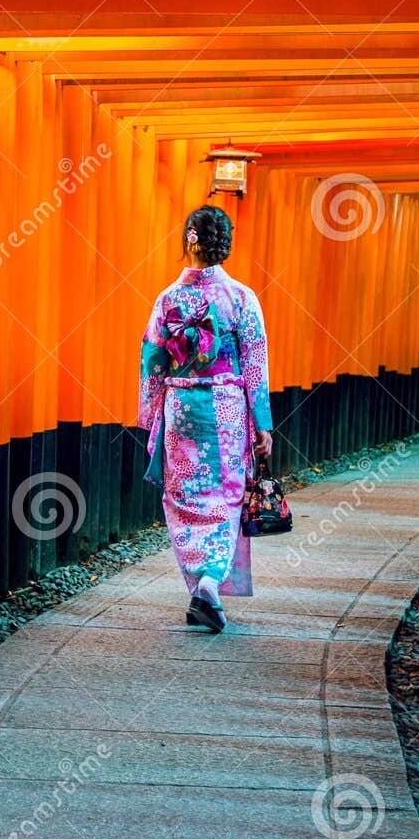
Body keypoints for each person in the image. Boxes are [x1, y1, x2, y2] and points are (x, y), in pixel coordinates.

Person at [138, 204, 273, 633]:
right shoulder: (241, 297)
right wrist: (262, 422)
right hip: (228, 407)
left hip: (181, 408)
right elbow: (255, 362)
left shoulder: (168, 299)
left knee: (183, 497)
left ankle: (201, 585)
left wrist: (150, 417)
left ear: (188, 240)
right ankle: (210, 584)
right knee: (228, 495)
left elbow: (152, 361)